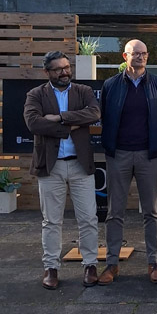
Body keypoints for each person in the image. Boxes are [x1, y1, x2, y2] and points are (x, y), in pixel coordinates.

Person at [23, 51, 101, 290]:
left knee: (88, 218)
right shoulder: (36, 94)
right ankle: (51, 267)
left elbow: (94, 113)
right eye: (58, 69)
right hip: (51, 165)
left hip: (80, 164)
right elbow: (34, 123)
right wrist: (71, 127)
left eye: (67, 67)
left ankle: (90, 265)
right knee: (51, 221)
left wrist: (59, 118)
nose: (64, 72)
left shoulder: (83, 91)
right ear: (47, 72)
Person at [98, 39, 157, 285]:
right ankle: (112, 264)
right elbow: (105, 117)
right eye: (136, 53)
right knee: (114, 212)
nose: (140, 57)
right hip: (118, 154)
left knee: (151, 211)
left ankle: (154, 262)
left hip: (148, 155)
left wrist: (156, 144)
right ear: (125, 56)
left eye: (144, 53)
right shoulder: (111, 85)